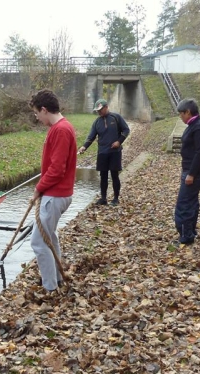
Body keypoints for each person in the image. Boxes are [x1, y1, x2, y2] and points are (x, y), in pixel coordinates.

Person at [29, 89, 77, 292]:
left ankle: (50, 287)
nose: (37, 118)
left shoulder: (61, 130)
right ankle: (55, 279)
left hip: (55, 195)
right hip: (56, 194)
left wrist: (39, 188)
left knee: (38, 242)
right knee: (50, 238)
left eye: (37, 113)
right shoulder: (61, 128)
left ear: (44, 109)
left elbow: (57, 169)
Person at [78, 99, 130, 206]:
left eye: (100, 110)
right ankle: (103, 198)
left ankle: (115, 198)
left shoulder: (116, 117)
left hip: (115, 152)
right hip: (102, 153)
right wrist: (84, 147)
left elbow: (126, 130)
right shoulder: (97, 122)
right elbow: (91, 137)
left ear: (106, 107)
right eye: (97, 111)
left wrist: (119, 142)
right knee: (103, 176)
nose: (99, 112)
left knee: (114, 175)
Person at [174, 98, 200, 245]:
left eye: (181, 114)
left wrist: (191, 174)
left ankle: (186, 236)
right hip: (191, 169)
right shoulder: (193, 125)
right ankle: (190, 231)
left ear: (188, 112)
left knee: (184, 204)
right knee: (192, 200)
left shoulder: (199, 128)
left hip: (196, 171)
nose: (180, 117)